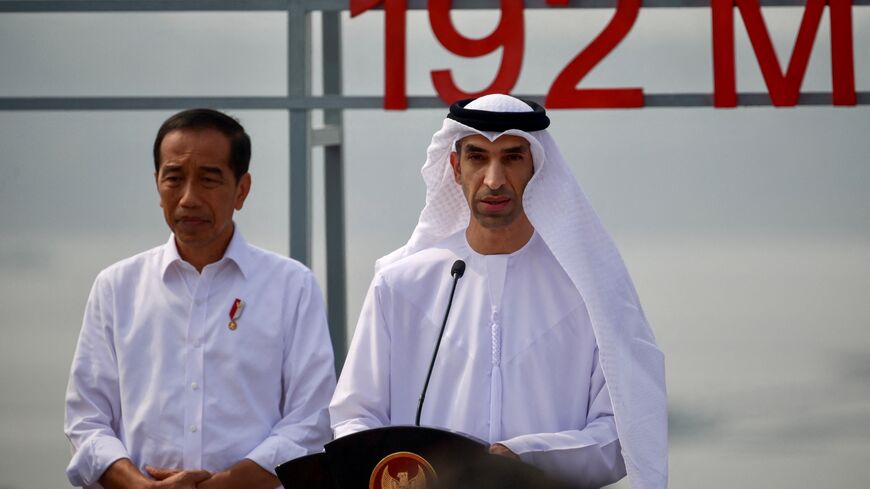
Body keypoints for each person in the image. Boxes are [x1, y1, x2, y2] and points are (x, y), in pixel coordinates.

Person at [330, 94, 667, 489]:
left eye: (511, 158)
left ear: (537, 167)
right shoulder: (400, 284)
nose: (493, 180)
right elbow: (354, 417)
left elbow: (620, 433)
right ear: (455, 168)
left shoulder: (586, 290)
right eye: (477, 158)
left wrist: (521, 457)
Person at [64, 109, 336, 489]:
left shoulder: (292, 286)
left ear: (242, 190)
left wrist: (225, 484)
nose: (188, 198)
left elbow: (311, 419)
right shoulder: (116, 287)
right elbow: (86, 419)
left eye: (209, 180)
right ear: (157, 185)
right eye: (173, 178)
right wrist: (141, 487)